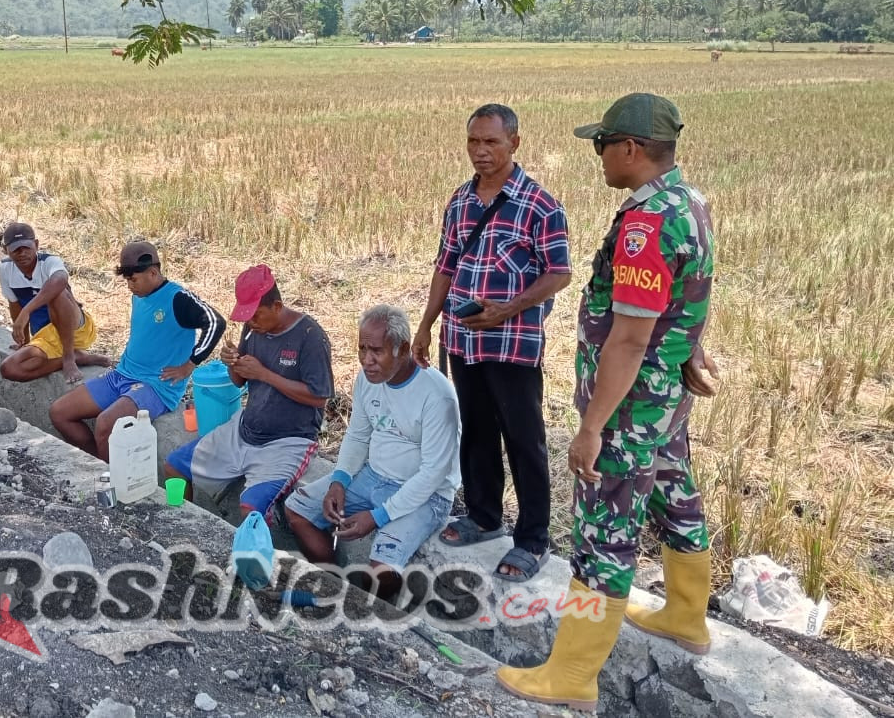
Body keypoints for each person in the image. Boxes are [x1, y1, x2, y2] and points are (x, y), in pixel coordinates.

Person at [497, 93, 719, 712]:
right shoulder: (690, 203)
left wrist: (592, 427)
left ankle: (571, 673)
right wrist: (693, 347)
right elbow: (690, 296)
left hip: (626, 406)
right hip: (664, 398)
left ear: (630, 149)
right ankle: (684, 615)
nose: (597, 157)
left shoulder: (647, 224)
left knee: (603, 531)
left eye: (602, 145)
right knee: (676, 492)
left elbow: (627, 337)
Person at [413, 102, 571, 582]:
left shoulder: (540, 205)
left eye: (491, 143)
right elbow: (446, 267)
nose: (480, 152)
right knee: (476, 429)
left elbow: (559, 273)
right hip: (463, 338)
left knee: (524, 439)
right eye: (473, 142)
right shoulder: (460, 201)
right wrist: (425, 325)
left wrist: (509, 308)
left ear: (515, 144)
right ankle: (484, 515)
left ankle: (532, 539)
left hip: (513, 342)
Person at [286, 305, 461, 601]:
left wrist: (378, 516)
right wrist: (339, 481)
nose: (367, 360)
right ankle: (334, 587)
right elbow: (357, 435)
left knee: (383, 571)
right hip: (373, 476)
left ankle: (361, 607)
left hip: (426, 494)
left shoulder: (437, 395)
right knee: (297, 509)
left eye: (376, 351)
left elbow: (433, 474)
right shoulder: (367, 381)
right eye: (362, 349)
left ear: (402, 348)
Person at [163, 265, 333, 518]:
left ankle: (256, 553)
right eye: (247, 318)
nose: (251, 323)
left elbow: (319, 397)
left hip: (288, 441)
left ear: (277, 306)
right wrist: (233, 362)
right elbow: (238, 381)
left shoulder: (310, 336)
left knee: (251, 508)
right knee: (174, 467)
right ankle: (184, 529)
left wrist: (265, 374)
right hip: (244, 430)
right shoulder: (254, 327)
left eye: (256, 315)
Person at [49, 241, 226, 461]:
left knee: (106, 423)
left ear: (152, 273)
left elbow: (216, 322)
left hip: (156, 385)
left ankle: (112, 486)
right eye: (127, 280)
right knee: (59, 412)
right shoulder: (139, 295)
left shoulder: (177, 298)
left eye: (133, 280)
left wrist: (191, 363)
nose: (130, 286)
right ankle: (99, 465)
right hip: (122, 374)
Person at [0, 221, 112, 386]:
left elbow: (60, 280)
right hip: (45, 338)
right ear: (5, 251)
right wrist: (24, 341)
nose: (22, 253)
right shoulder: (4, 269)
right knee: (9, 369)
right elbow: (14, 304)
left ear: (36, 245)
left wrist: (27, 311)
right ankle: (79, 357)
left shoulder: (49, 262)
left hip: (74, 330)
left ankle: (69, 357)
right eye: (15, 249)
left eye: (27, 247)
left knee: (57, 292)